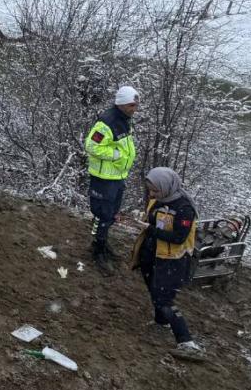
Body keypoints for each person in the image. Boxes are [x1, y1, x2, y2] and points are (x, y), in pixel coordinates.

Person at [130, 167, 204, 360]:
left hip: (172, 260)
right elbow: (154, 220)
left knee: (164, 299)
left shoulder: (184, 208)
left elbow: (179, 237)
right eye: (150, 191)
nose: (152, 195)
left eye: (155, 191)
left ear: (167, 186)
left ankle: (187, 342)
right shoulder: (159, 201)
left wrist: (150, 229)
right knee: (154, 291)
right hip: (151, 254)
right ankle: (160, 322)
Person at [84, 85, 139, 274]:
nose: (135, 108)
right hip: (103, 178)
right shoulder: (107, 122)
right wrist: (116, 156)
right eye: (132, 104)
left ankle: (102, 243)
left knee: (111, 214)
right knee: (102, 214)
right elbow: (91, 146)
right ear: (122, 104)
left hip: (116, 176)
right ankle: (97, 250)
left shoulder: (125, 120)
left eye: (136, 104)